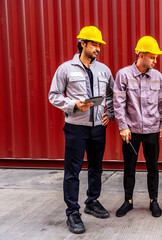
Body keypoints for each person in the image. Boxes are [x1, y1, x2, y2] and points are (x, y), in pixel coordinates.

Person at [48, 26, 114, 234]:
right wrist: (74, 104)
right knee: (72, 172)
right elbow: (54, 95)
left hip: (97, 128)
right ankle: (72, 212)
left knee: (96, 167)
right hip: (76, 128)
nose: (98, 49)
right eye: (94, 44)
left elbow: (112, 95)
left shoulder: (103, 70)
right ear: (83, 43)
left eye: (99, 45)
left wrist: (109, 114)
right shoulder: (66, 69)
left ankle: (92, 202)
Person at [113, 36, 162, 218]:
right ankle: (128, 201)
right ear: (141, 55)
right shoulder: (124, 74)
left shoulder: (157, 76)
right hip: (131, 131)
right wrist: (123, 127)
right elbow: (118, 103)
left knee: (153, 167)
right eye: (152, 57)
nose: (155, 60)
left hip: (152, 130)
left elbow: (161, 103)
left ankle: (154, 201)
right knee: (129, 167)